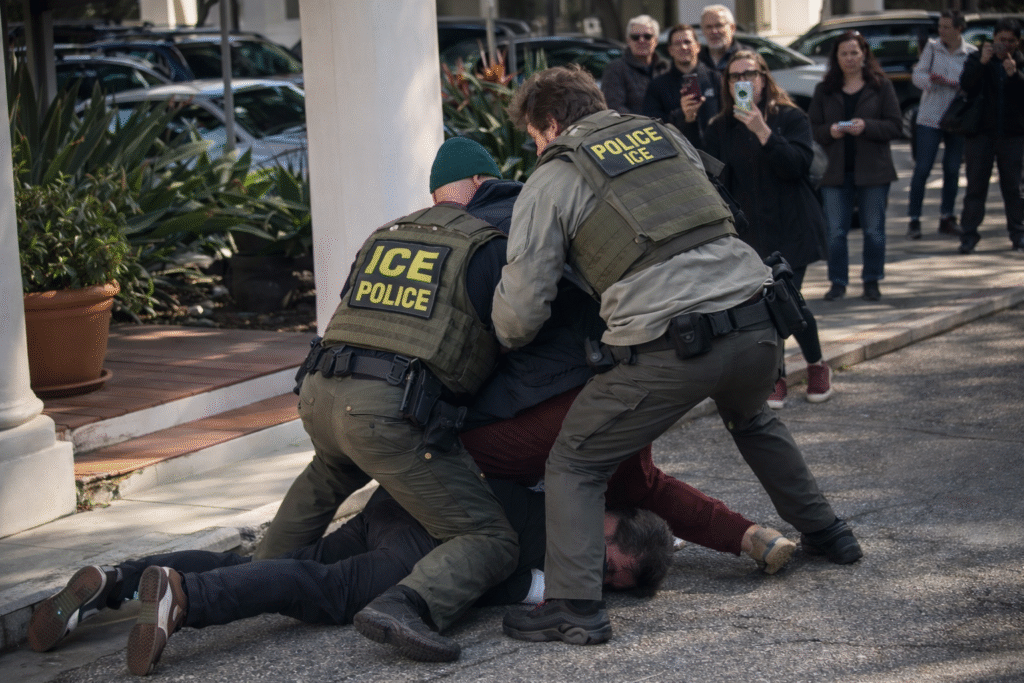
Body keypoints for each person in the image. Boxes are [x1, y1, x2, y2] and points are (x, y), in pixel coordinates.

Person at [493, 65, 863, 647]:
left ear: (553, 123)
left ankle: (574, 606)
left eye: (535, 136)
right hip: (760, 323)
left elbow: (521, 311)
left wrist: (502, 336)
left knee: (576, 461)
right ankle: (830, 533)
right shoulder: (664, 136)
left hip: (676, 347)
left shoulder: (555, 174)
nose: (537, 147)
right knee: (754, 418)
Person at [450, 153, 798, 574]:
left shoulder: (469, 233)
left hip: (542, 402)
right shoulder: (555, 207)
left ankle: (565, 586)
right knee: (640, 482)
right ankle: (754, 537)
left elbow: (491, 334)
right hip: (620, 377)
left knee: (454, 458)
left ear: (470, 184)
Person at [251, 136, 520, 663]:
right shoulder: (484, 243)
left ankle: (257, 576)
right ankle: (408, 608)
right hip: (384, 412)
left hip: (319, 395)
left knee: (330, 473)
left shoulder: (385, 235)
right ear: (483, 184)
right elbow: (510, 334)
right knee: (490, 538)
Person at [26, 481, 674, 676]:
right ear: (614, 525)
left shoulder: (563, 485)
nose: (599, 579)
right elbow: (490, 571)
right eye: (610, 568)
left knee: (279, 567)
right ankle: (185, 597)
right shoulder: (564, 533)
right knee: (322, 591)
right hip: (427, 536)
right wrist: (542, 589)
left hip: (396, 503)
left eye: (611, 583)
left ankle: (118, 579)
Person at [702, 50, 833, 407]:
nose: (743, 81)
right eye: (735, 77)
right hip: (751, 234)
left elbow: (797, 166)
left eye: (751, 74)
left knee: (788, 299)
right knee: (763, 306)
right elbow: (716, 182)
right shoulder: (720, 127)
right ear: (727, 84)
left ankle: (816, 366)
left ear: (764, 77)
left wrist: (763, 131)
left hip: (793, 225)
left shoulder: (789, 117)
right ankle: (776, 375)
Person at [809, 30, 902, 302]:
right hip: (835, 171)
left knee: (874, 231)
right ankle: (837, 281)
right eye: (844, 53)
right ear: (836, 58)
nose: (849, 58)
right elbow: (812, 129)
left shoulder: (880, 86)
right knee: (836, 231)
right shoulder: (824, 89)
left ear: (864, 55)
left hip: (874, 171)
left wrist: (867, 126)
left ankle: (872, 280)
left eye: (854, 53)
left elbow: (896, 126)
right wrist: (831, 131)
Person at [907, 10, 976, 240]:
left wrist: (955, 84)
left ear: (959, 29)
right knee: (923, 168)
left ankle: (947, 216)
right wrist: (930, 81)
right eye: (940, 26)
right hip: (930, 117)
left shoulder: (970, 53)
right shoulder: (932, 48)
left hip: (956, 119)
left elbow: (973, 84)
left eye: (947, 27)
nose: (941, 31)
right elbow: (917, 75)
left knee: (953, 169)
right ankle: (914, 219)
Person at [957, 18, 1024, 255]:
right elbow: (966, 85)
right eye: (1001, 40)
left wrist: (1015, 76)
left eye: (1011, 41)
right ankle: (968, 235)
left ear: (1018, 42)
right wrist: (983, 63)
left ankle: (1018, 233)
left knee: (1013, 187)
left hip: (1012, 134)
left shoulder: (1020, 62)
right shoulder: (977, 59)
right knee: (976, 186)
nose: (1005, 45)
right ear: (993, 39)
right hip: (980, 134)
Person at [642, 23, 722, 147]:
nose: (683, 47)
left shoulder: (716, 79)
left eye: (687, 42)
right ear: (670, 50)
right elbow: (651, 126)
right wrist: (682, 114)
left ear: (698, 46)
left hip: (715, 155)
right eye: (677, 43)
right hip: (678, 156)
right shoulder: (657, 86)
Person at [601, 14, 668, 115]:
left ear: (656, 40)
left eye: (647, 36)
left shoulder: (666, 67)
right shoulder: (616, 69)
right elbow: (614, 108)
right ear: (628, 41)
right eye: (635, 37)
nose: (641, 40)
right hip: (633, 129)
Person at [699, 5, 749, 74]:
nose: (714, 31)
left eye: (719, 25)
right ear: (703, 31)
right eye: (708, 27)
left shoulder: (748, 57)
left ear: (732, 28)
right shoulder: (696, 59)